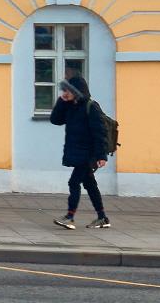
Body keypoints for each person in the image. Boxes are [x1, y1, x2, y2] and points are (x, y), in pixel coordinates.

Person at [48, 73, 112, 230]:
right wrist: (61, 102)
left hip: (89, 154)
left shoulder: (91, 107)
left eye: (68, 91)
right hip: (78, 152)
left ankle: (70, 217)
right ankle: (102, 217)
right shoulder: (71, 107)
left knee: (74, 182)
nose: (65, 93)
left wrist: (101, 156)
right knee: (90, 184)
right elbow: (55, 120)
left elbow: (100, 133)